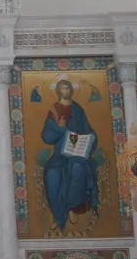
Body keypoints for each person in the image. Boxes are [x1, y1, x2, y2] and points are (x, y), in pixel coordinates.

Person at [42, 80, 100, 230]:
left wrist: (90, 140)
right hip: (60, 155)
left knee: (77, 169)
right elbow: (47, 136)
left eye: (68, 87)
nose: (66, 90)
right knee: (52, 175)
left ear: (72, 90)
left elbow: (88, 130)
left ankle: (72, 207)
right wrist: (59, 129)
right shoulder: (54, 111)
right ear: (58, 91)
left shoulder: (78, 110)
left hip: (77, 154)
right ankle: (58, 215)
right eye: (63, 88)